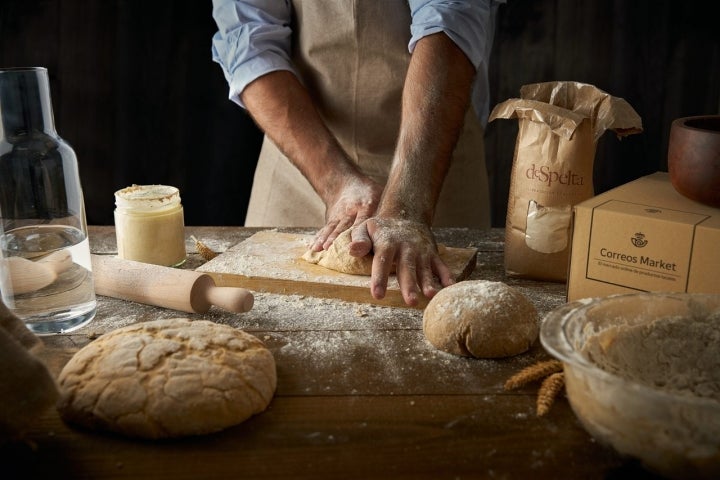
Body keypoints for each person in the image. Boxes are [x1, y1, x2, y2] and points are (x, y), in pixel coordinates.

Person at [211, 0, 502, 306]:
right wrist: (336, 182)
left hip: (433, 166)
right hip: (298, 172)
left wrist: (406, 209)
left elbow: (448, 22)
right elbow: (249, 44)